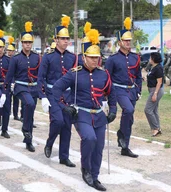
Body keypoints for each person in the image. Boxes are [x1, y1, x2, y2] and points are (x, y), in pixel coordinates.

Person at [53, 28, 116, 191]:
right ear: (84, 57)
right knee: (89, 139)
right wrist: (64, 106)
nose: (95, 61)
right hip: (81, 113)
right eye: (92, 58)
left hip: (99, 115)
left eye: (97, 58)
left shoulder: (104, 74)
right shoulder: (75, 73)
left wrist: (114, 109)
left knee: (99, 146)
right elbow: (56, 88)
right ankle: (86, 169)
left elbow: (111, 93)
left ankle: (95, 176)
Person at [38, 15, 77, 167]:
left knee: (67, 126)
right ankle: (50, 141)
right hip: (52, 95)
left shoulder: (73, 57)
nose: (66, 41)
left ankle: (64, 156)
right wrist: (43, 96)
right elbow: (40, 78)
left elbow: (76, 78)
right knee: (58, 121)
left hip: (67, 95)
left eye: (67, 38)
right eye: (62, 38)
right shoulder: (48, 57)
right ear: (56, 40)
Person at [0, 21, 40, 152]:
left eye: (29, 42)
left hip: (33, 87)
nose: (27, 45)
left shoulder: (37, 57)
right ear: (21, 43)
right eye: (25, 42)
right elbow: (9, 75)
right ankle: (25, 129)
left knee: (31, 111)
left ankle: (28, 141)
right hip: (20, 87)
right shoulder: (16, 58)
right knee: (29, 103)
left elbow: (40, 74)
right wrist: (4, 92)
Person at [105, 17, 142, 158]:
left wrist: (138, 90)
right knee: (128, 109)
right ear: (119, 42)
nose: (128, 43)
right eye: (125, 41)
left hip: (132, 90)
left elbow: (138, 75)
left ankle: (124, 145)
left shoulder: (136, 57)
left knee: (130, 118)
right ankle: (122, 137)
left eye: (129, 40)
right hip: (118, 89)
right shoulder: (112, 59)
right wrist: (106, 94)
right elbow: (106, 77)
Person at [144, 52, 164, 137]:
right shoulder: (153, 67)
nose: (149, 59)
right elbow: (152, 78)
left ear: (154, 59)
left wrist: (155, 94)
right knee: (154, 110)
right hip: (152, 89)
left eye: (150, 58)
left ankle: (155, 128)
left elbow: (159, 82)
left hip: (156, 90)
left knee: (147, 110)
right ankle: (157, 128)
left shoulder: (158, 68)